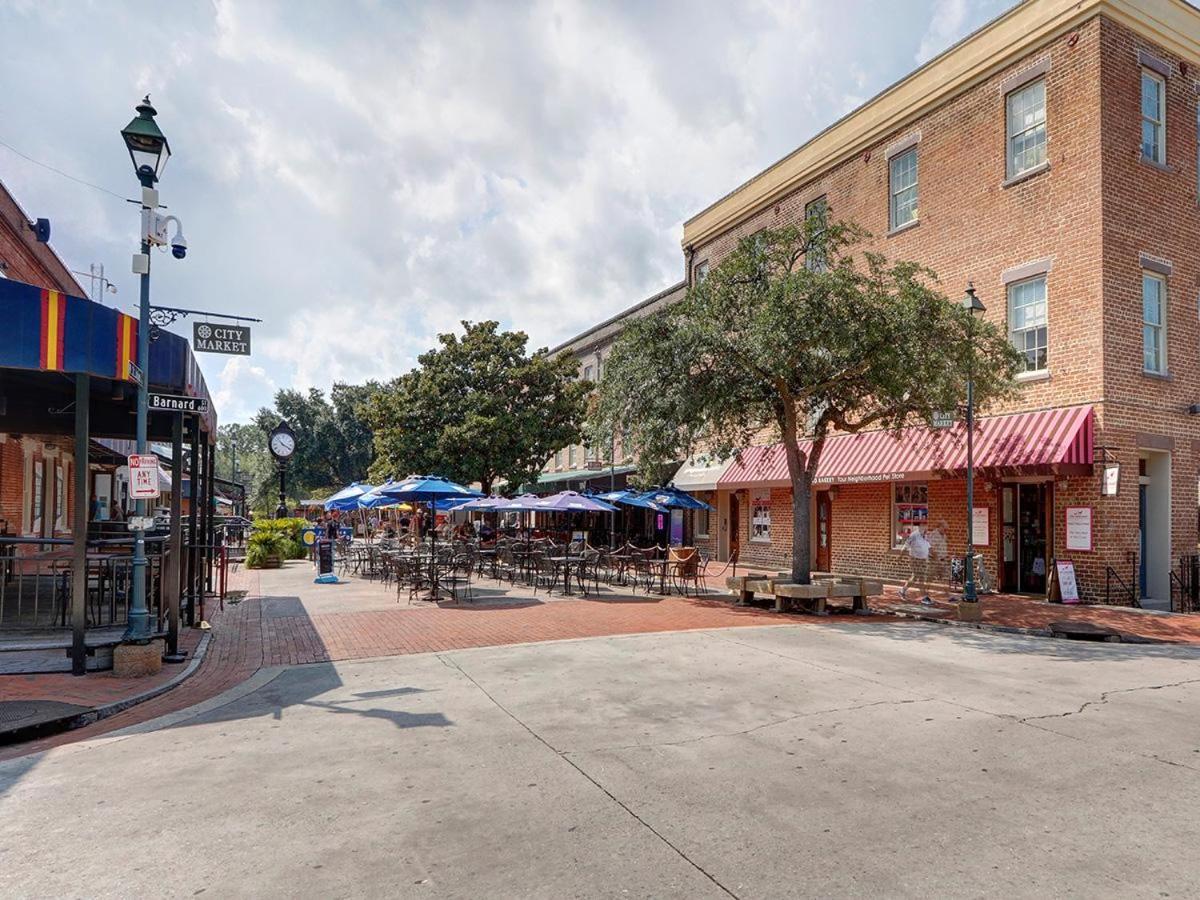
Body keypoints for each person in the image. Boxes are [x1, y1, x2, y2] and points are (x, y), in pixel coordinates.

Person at [900, 524, 932, 604]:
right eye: (925, 528)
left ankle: (902, 590)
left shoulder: (925, 536)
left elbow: (928, 547)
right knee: (920, 576)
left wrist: (935, 557)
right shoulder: (914, 535)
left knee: (915, 577)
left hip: (923, 559)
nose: (926, 530)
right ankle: (924, 597)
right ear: (921, 527)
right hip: (914, 559)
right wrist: (900, 556)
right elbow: (905, 546)